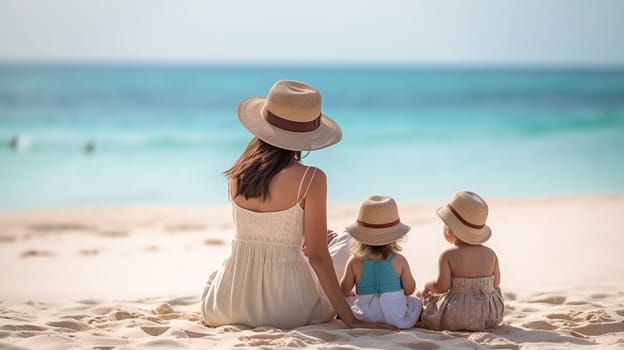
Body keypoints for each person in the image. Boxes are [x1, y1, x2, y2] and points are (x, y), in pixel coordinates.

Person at [200, 80, 391, 329]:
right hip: (288, 308)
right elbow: (318, 256)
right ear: (307, 135)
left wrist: (295, 244)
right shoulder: (311, 178)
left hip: (229, 302)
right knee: (349, 240)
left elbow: (262, 232)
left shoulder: (237, 173)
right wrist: (350, 319)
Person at [417, 191, 504, 331]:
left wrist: (427, 286)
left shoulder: (448, 255)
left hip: (457, 315)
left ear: (449, 230)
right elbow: (496, 283)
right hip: (490, 314)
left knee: (426, 306)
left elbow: (442, 287)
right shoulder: (491, 253)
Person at [340, 195, 422, 329]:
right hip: (395, 317)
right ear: (394, 236)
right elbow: (409, 289)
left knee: (346, 301)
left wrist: (353, 293)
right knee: (415, 302)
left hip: (366, 316)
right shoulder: (399, 260)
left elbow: (344, 289)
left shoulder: (354, 261)